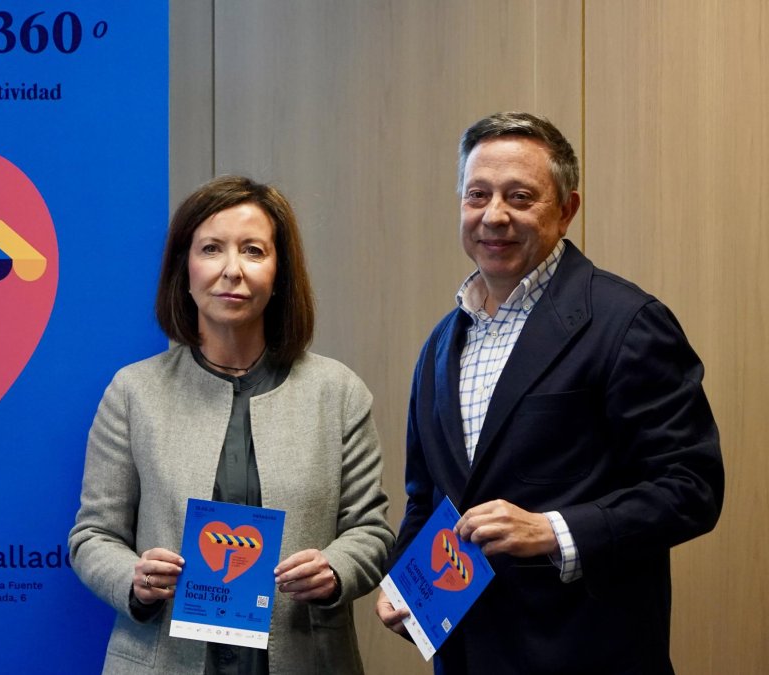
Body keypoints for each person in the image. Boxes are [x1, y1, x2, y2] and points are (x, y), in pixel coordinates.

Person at [375, 111, 724, 674]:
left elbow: (692, 488)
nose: (494, 215)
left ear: (566, 210)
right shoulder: (440, 344)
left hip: (587, 654)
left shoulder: (628, 322)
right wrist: (404, 582)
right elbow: (426, 498)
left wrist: (553, 531)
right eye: (477, 195)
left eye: (520, 197)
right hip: (467, 656)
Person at [69, 175, 395, 674]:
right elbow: (93, 535)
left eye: (253, 251)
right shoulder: (134, 392)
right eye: (211, 249)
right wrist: (133, 576)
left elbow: (370, 530)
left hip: (305, 657)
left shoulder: (338, 392)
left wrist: (336, 569)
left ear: (280, 273)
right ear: (184, 268)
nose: (232, 270)